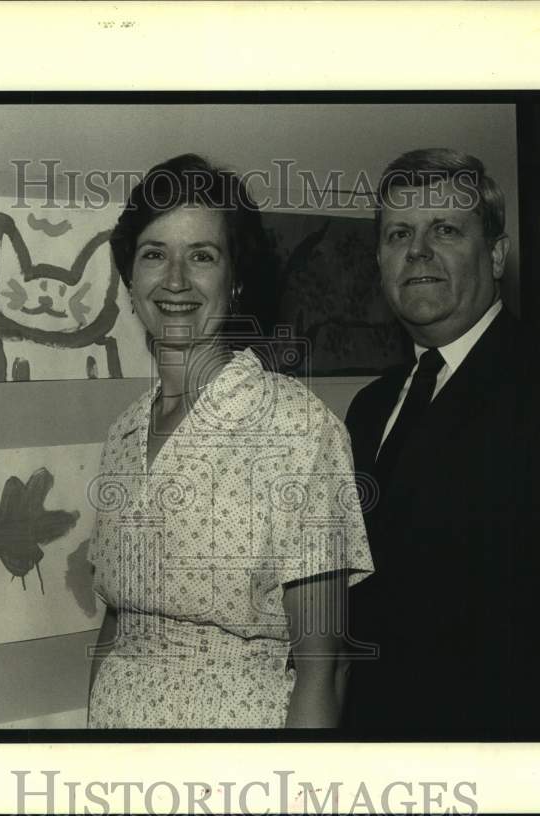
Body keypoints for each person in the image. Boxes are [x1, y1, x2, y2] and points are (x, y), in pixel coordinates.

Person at [343, 148, 540, 739]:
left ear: (496, 254)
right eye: (398, 234)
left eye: (445, 229)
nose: (417, 251)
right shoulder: (368, 410)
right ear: (381, 261)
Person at [87, 154, 374, 728]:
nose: (174, 281)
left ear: (236, 276)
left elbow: (326, 667)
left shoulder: (295, 428)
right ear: (129, 278)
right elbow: (118, 624)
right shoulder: (123, 433)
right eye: (153, 255)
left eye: (201, 256)